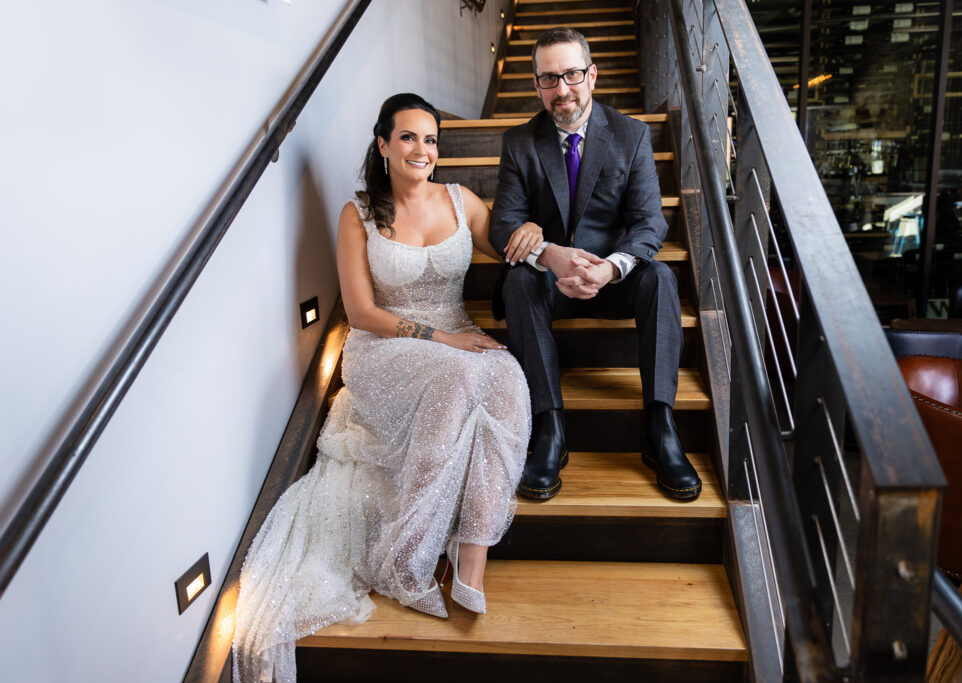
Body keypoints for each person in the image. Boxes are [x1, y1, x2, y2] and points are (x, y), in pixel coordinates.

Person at [232, 93, 530, 683]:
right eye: (410, 138)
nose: (423, 150)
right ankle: (408, 553)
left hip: (458, 333)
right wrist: (443, 342)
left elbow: (514, 245)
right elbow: (363, 312)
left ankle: (473, 557)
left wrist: (536, 235)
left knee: (507, 376)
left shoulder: (461, 200)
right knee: (458, 373)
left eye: (432, 140)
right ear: (384, 144)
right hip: (383, 347)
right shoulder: (358, 214)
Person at [489, 27, 701, 502]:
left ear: (593, 75)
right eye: (549, 78)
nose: (562, 89)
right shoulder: (520, 141)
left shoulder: (631, 134)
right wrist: (549, 255)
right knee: (518, 284)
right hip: (549, 283)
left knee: (662, 276)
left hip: (612, 279)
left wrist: (609, 268)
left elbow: (649, 223)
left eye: (571, 74)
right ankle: (549, 428)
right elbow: (502, 223)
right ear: (536, 84)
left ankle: (660, 426)